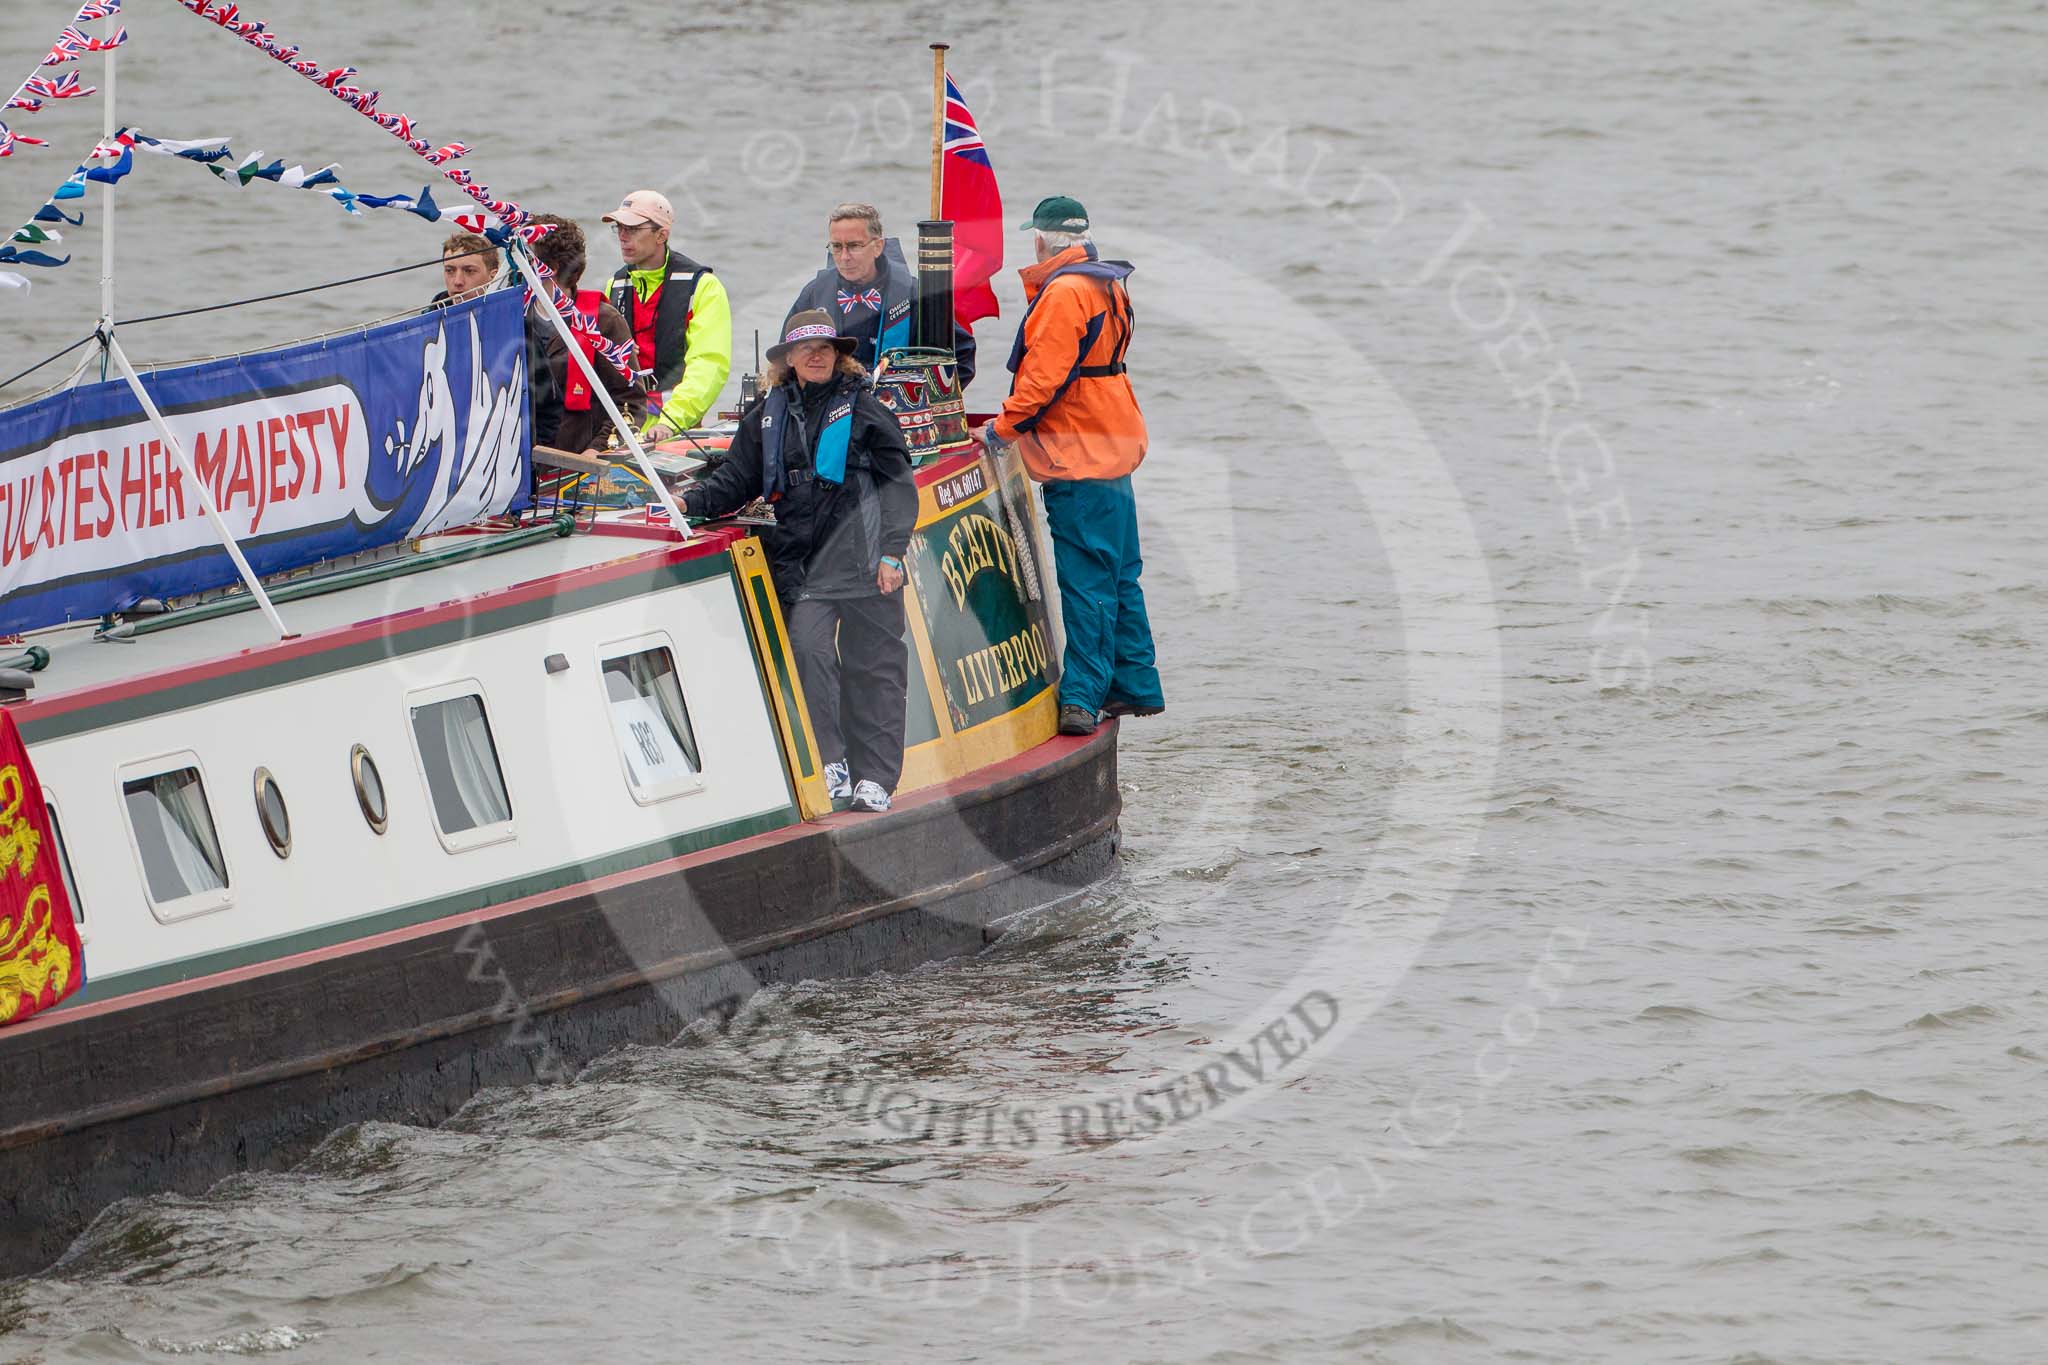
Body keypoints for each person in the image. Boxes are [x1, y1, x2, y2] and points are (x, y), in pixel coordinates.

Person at [681, 311, 916, 813]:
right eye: (805, 348)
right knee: (809, 654)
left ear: (838, 354)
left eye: (825, 347)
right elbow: (737, 479)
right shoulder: (767, 415)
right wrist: (689, 503)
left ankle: (876, 777)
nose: (816, 355)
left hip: (868, 563)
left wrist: (893, 553)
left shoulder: (868, 410)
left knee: (875, 670)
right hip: (806, 568)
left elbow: (900, 489)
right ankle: (832, 760)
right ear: (788, 359)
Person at [980, 196, 1163, 738]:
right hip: (1113, 446)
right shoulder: (1104, 282)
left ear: (1040, 238)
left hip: (1078, 455)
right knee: (1120, 575)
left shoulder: (1064, 292)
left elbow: (1041, 382)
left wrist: (999, 431)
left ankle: (1083, 697)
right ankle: (1133, 682)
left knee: (1086, 581)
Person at [787, 202, 977, 389]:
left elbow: (961, 355)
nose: (844, 257)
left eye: (854, 246)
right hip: (831, 410)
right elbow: (786, 360)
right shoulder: (814, 294)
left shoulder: (915, 295)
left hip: (896, 411)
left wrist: (923, 401)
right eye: (837, 246)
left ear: (877, 246)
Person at [602, 189, 732, 443]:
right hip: (621, 426)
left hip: (675, 430)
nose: (622, 236)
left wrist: (669, 423)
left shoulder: (703, 287)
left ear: (662, 234)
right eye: (618, 228)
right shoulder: (614, 286)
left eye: (632, 228)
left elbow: (708, 366)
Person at [525, 213, 645, 456]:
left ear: (550, 268)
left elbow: (631, 403)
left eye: (525, 258)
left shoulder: (603, 321)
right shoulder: (513, 316)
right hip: (518, 468)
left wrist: (597, 449)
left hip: (579, 467)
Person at [432, 231, 498, 306]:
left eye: (469, 271)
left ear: (493, 276)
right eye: (449, 271)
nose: (458, 282)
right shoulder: (429, 315)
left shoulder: (511, 311)